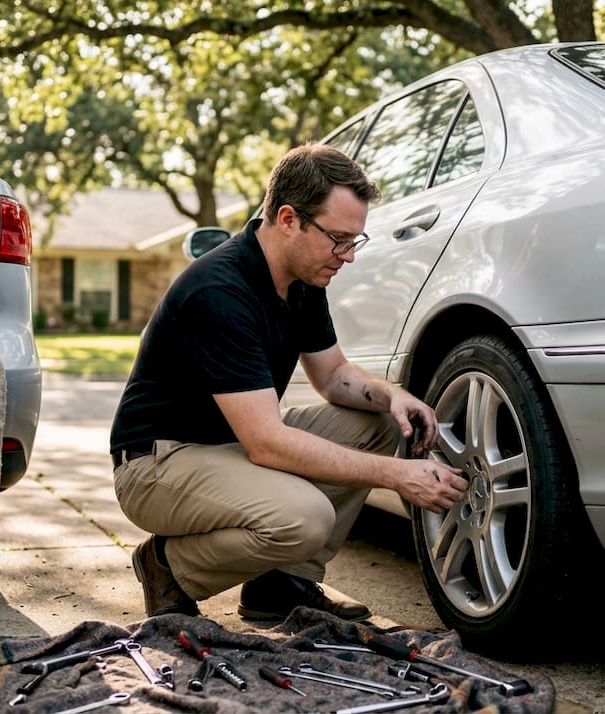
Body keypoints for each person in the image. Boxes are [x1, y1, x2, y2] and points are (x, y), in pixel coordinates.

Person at [109, 143, 467, 622]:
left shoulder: (302, 278)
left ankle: (281, 584)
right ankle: (167, 567)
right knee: (305, 518)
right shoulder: (220, 290)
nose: (348, 256)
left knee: (378, 423)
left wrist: (394, 396)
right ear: (287, 219)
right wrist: (396, 475)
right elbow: (267, 445)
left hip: (228, 444)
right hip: (158, 463)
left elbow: (335, 377)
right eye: (338, 238)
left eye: (354, 241)